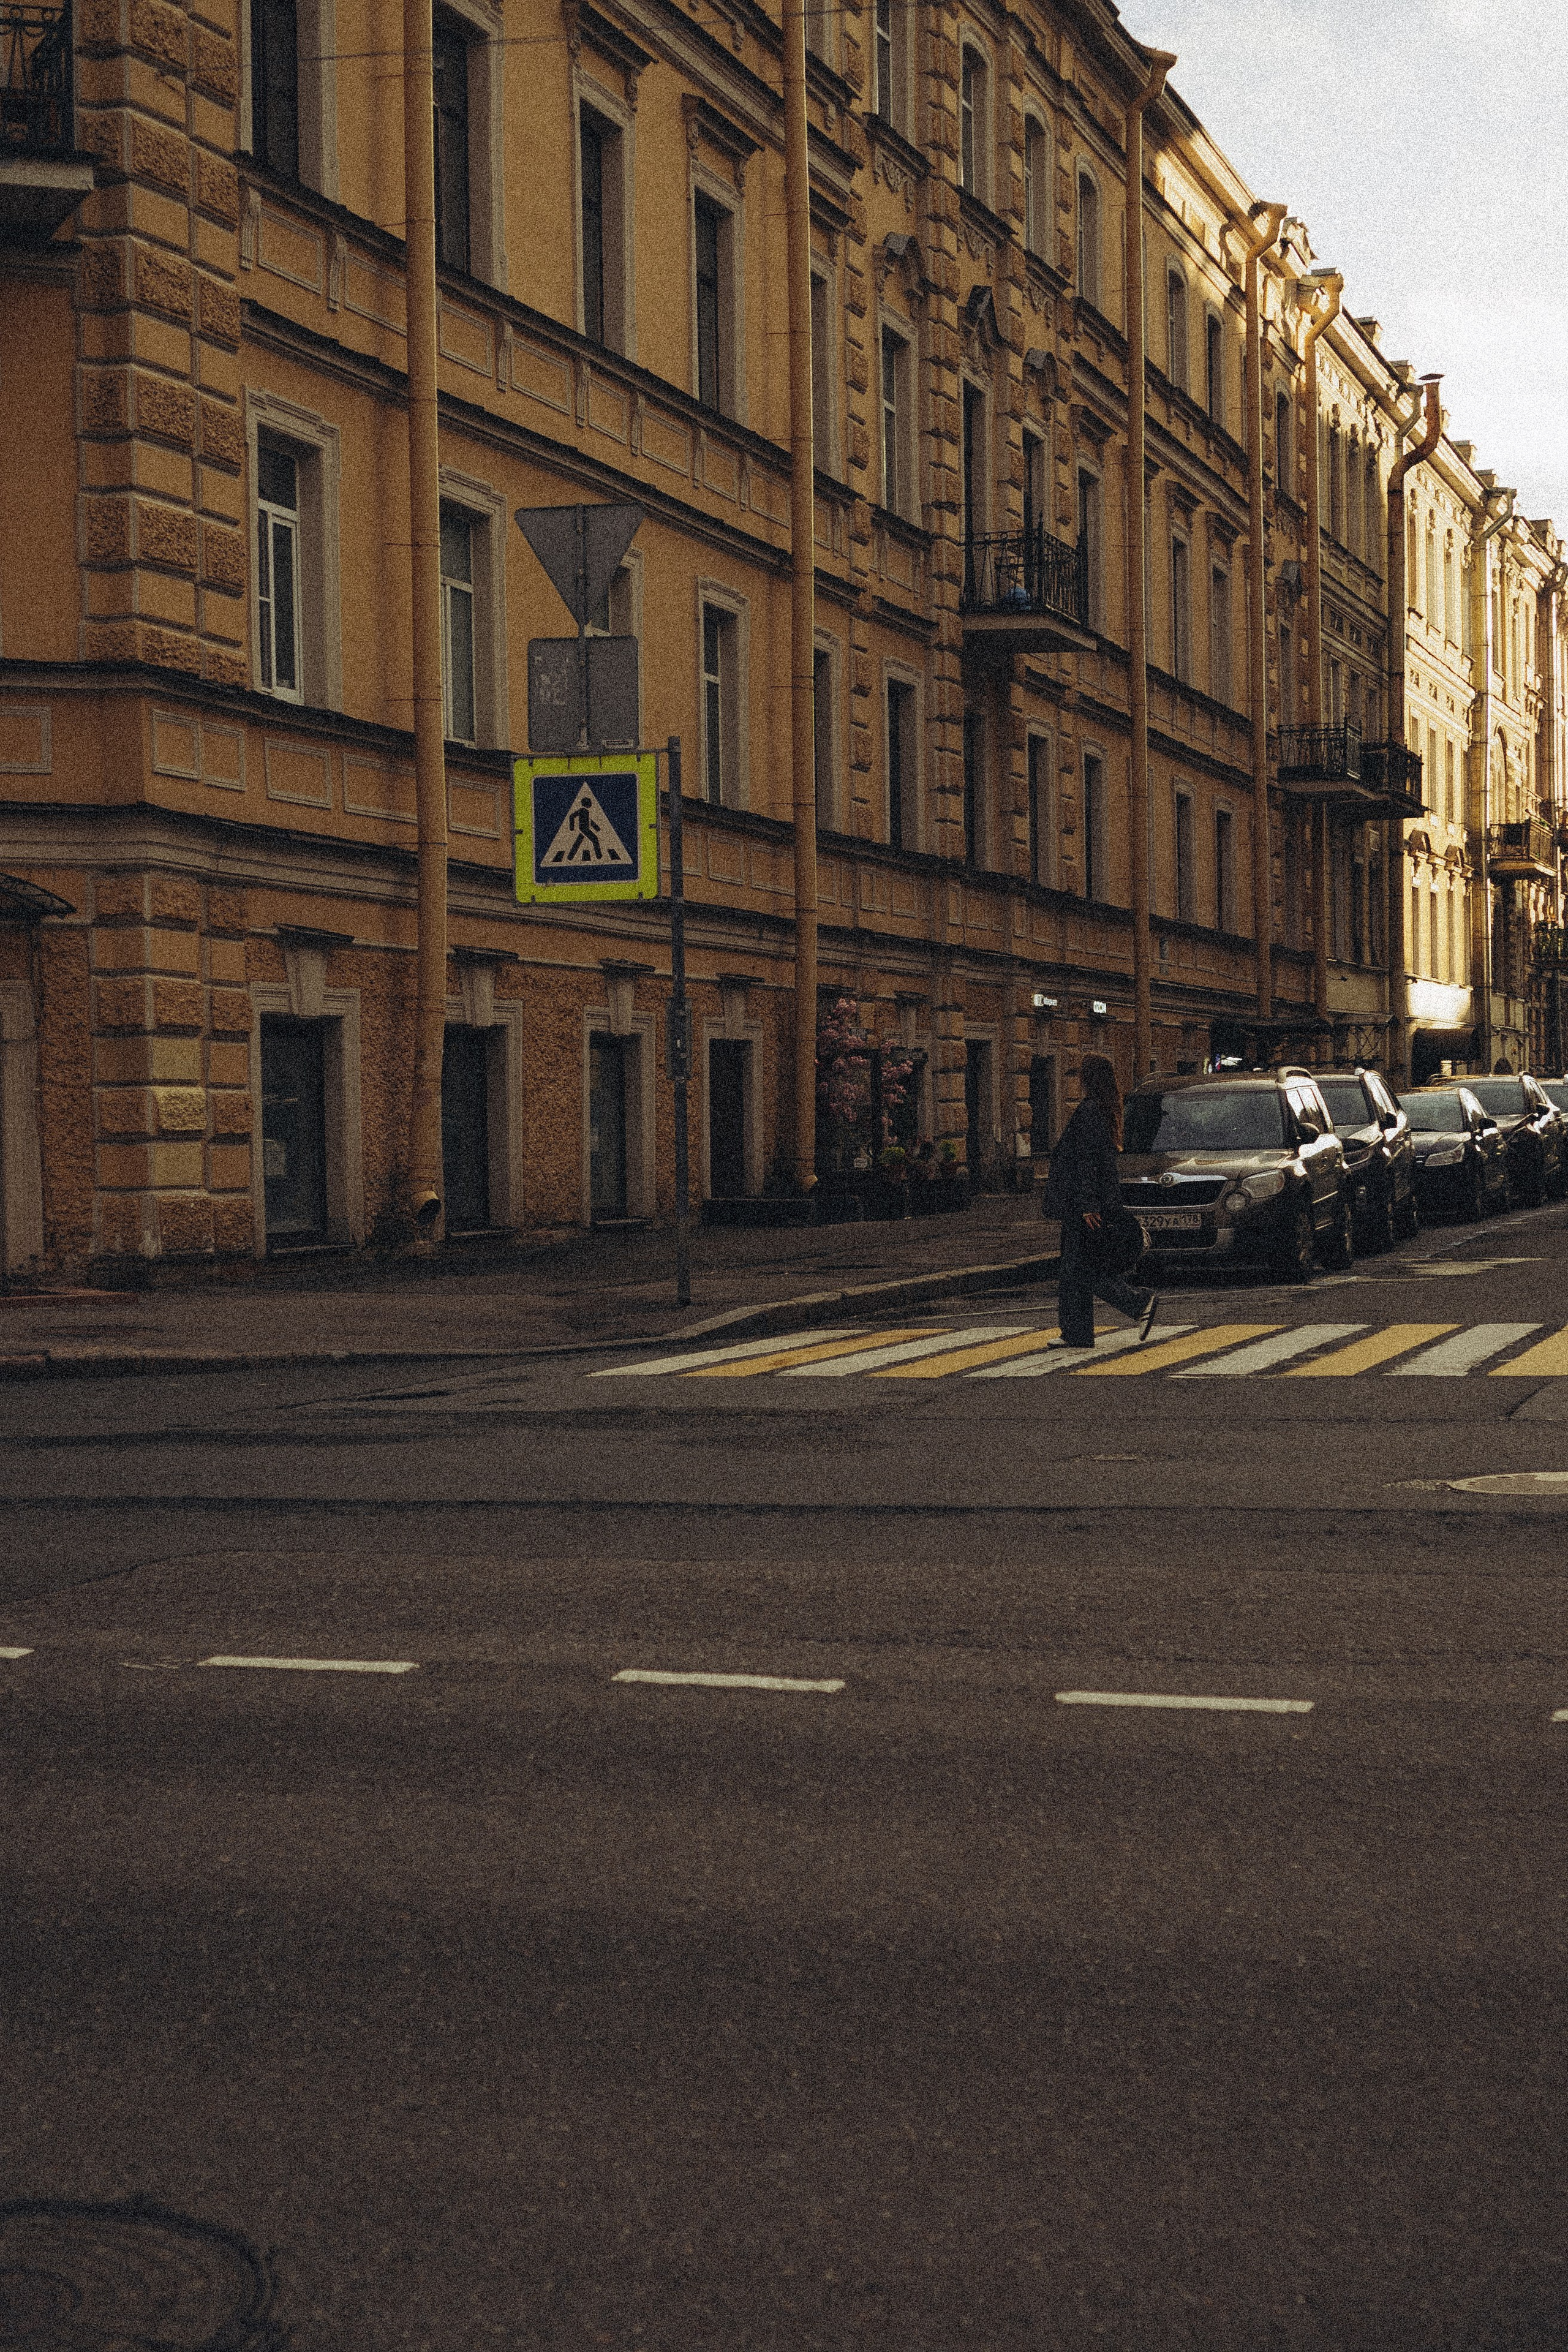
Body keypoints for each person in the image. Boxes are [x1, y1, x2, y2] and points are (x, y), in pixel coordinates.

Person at [1041, 1052, 1157, 1351]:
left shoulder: (1090, 1111)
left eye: (1082, 1073)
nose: (1078, 1078)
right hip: (1084, 1202)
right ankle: (1076, 1333)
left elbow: (1088, 1161)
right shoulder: (1100, 1110)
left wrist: (1087, 1204)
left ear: (1088, 1078)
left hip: (1085, 1205)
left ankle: (1138, 1303)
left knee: (1079, 1268)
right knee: (1075, 1269)